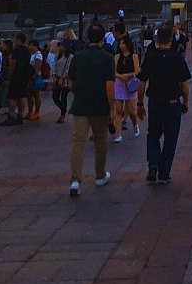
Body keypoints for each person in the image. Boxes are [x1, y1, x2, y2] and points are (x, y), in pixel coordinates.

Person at [137, 23, 191, 184]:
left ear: (157, 39)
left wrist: (140, 103)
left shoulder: (150, 57)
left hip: (154, 102)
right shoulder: (177, 58)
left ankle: (153, 164)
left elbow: (141, 83)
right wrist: (186, 102)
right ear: (171, 39)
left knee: (153, 135)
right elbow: (184, 84)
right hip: (173, 102)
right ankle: (164, 173)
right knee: (170, 138)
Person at [67, 23, 115, 196]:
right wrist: (112, 108)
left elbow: (70, 83)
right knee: (100, 141)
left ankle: (74, 180)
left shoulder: (78, 57)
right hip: (99, 105)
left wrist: (81, 90)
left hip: (80, 105)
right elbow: (109, 86)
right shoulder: (108, 58)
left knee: (78, 142)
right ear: (103, 39)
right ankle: (100, 175)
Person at [113, 33, 141, 138]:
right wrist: (120, 76)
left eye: (123, 43)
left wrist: (128, 75)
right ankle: (118, 133)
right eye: (120, 43)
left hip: (130, 84)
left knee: (131, 110)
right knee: (119, 109)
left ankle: (135, 124)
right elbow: (114, 71)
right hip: (119, 83)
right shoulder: (116, 57)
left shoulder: (134, 56)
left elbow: (137, 71)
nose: (121, 45)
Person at [1, 33, 31, 125]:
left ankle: (12, 116)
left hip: (16, 76)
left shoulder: (16, 50)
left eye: (15, 38)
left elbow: (13, 63)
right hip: (24, 76)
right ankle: (20, 116)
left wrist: (10, 75)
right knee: (22, 96)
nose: (13, 40)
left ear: (18, 39)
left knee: (12, 97)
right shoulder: (27, 50)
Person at [52, 39, 72, 124]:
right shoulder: (57, 56)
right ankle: (63, 109)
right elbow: (54, 66)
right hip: (57, 77)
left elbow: (68, 68)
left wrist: (62, 78)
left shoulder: (70, 57)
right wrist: (53, 75)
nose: (60, 47)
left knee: (63, 97)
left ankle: (62, 115)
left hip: (65, 79)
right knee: (55, 97)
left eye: (62, 46)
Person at [26, 39, 44, 120]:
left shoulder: (38, 55)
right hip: (30, 76)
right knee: (29, 95)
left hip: (35, 77)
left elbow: (37, 67)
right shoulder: (31, 54)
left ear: (36, 46)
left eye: (31, 46)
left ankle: (36, 112)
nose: (30, 47)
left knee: (36, 95)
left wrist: (34, 75)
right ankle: (30, 111)